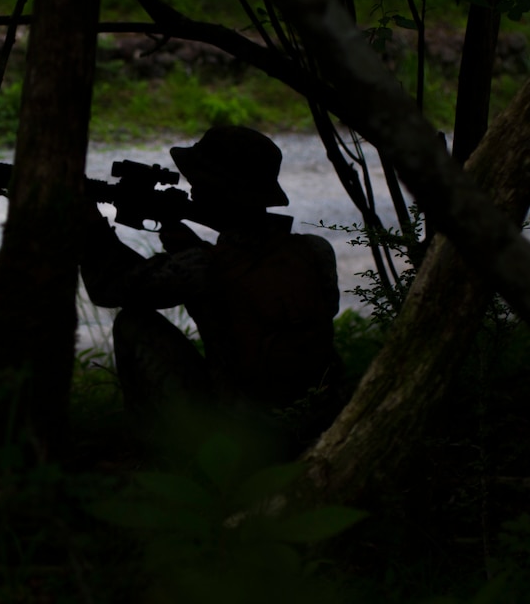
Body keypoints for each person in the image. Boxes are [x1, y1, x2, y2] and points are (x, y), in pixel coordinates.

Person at [80, 126, 343, 432]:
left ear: (217, 192)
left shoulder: (201, 267)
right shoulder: (314, 250)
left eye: (198, 185)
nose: (191, 191)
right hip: (320, 413)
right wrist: (184, 242)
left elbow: (108, 288)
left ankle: (164, 458)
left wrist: (90, 225)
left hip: (242, 430)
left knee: (131, 324)